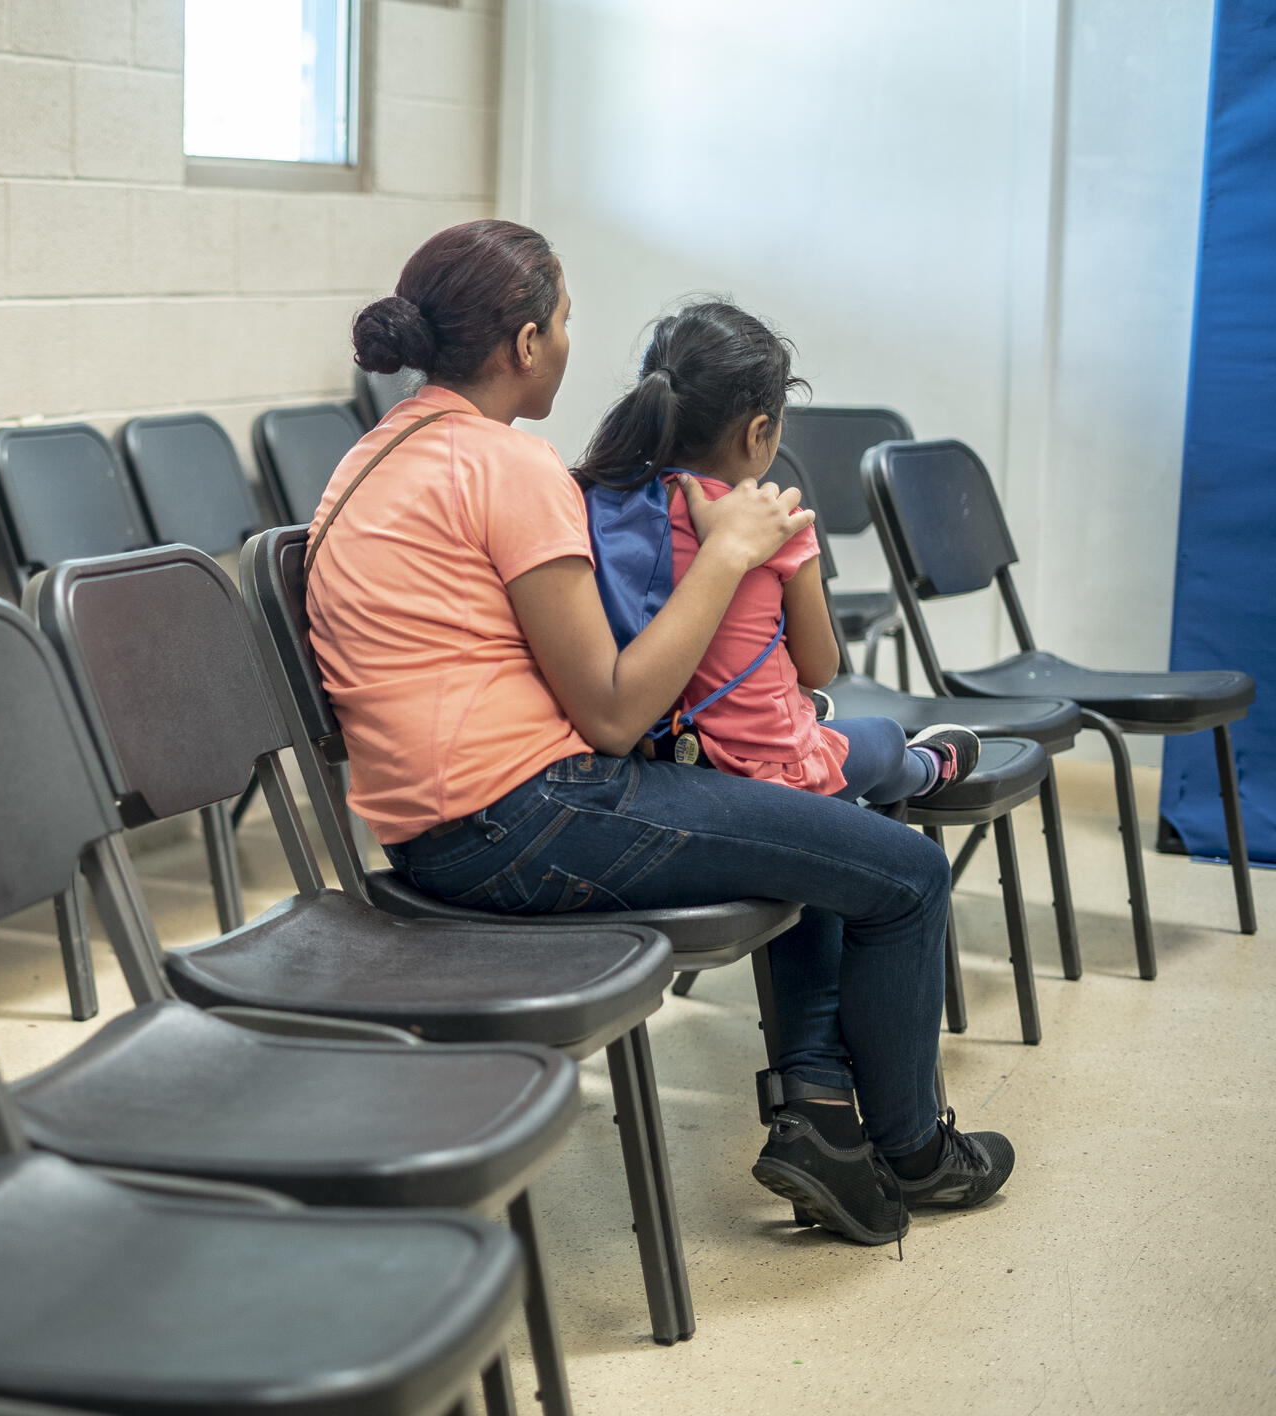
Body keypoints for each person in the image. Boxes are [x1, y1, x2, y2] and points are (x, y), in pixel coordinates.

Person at [309, 219, 1013, 1247]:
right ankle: (913, 1148)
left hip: (447, 824)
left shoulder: (371, 456)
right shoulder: (506, 466)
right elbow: (611, 708)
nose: (564, 343)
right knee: (906, 872)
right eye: (559, 323)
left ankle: (819, 1115)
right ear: (522, 345)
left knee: (802, 816)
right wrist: (725, 555)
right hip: (526, 820)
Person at [574, 299, 981, 806]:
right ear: (757, 432)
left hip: (652, 749)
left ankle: (808, 715)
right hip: (758, 771)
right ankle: (925, 768)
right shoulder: (776, 525)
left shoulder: (598, 500)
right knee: (882, 739)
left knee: (805, 702)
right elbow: (819, 666)